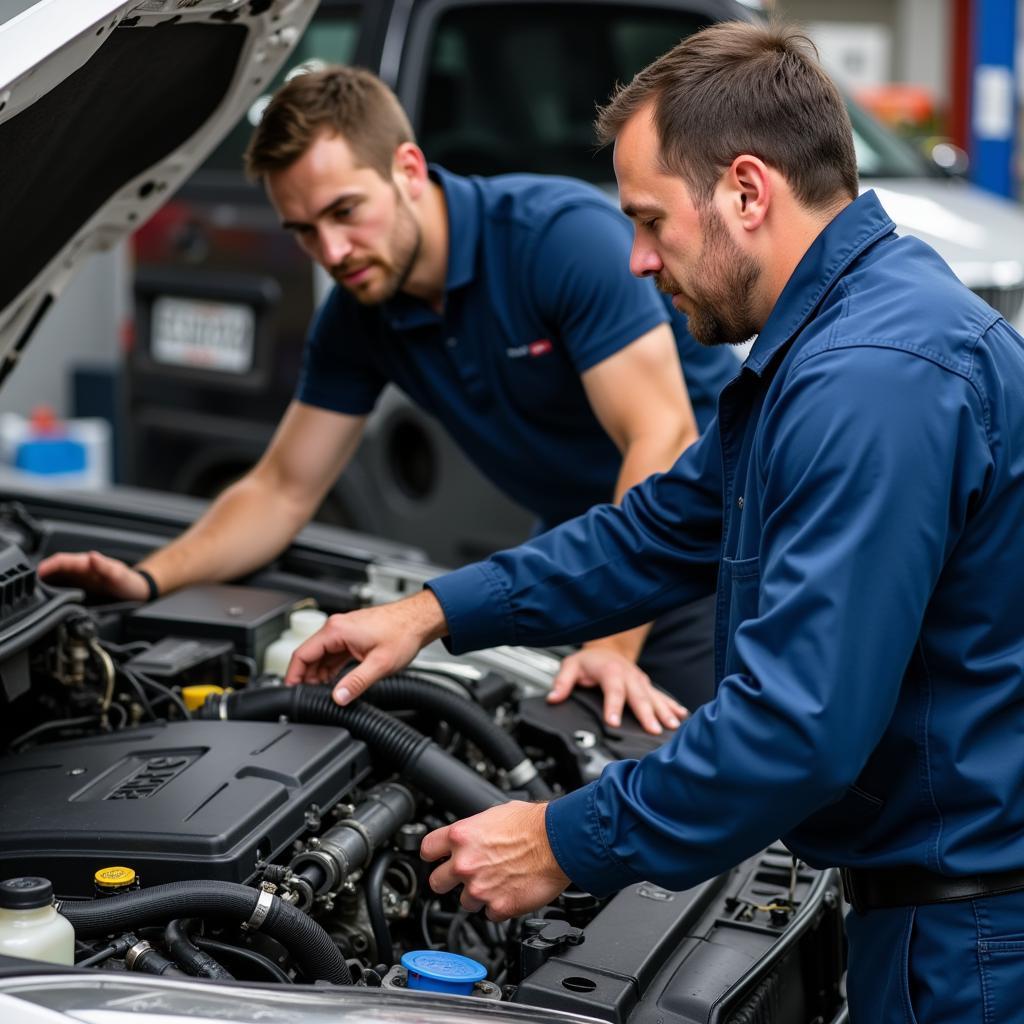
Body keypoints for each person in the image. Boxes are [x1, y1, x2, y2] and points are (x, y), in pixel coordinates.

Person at [283, 21, 1024, 1024]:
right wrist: (429, 612)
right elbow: (658, 529)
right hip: (935, 912)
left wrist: (560, 840)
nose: (634, 258)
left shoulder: (870, 383)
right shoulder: (830, 340)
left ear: (747, 192)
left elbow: (795, 732)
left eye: (648, 221)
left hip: (967, 951)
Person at [38, 66, 739, 732]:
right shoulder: (356, 314)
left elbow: (661, 435)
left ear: (407, 168)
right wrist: (147, 579)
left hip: (698, 548)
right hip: (575, 556)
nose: (334, 251)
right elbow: (282, 488)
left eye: (346, 212)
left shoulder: (556, 242)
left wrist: (612, 649)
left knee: (691, 800)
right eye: (305, 231)